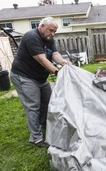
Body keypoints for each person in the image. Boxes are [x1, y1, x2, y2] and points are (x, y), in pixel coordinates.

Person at [10, 17, 71, 148]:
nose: (53, 33)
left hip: (40, 78)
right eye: (51, 30)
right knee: (33, 106)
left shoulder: (49, 39)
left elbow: (54, 54)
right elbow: (41, 59)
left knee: (48, 102)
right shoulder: (31, 37)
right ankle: (36, 138)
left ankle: (44, 125)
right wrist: (57, 71)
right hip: (24, 76)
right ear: (42, 26)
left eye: (55, 31)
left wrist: (63, 62)